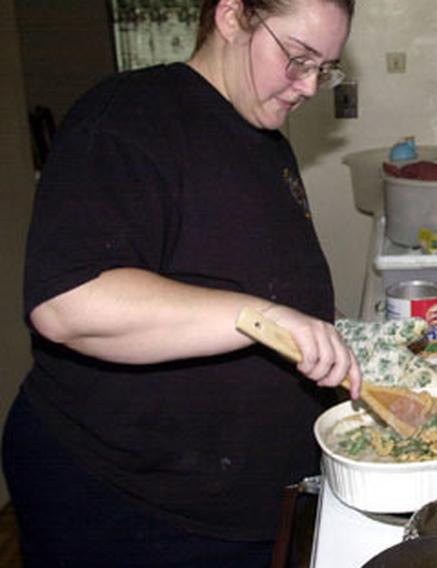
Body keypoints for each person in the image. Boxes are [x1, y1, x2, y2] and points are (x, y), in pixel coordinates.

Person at [2, 0, 361, 565]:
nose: (310, 85)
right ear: (231, 15)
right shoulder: (129, 117)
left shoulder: (261, 134)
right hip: (129, 502)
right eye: (298, 58)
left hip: (232, 499)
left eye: (325, 67)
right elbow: (68, 303)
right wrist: (266, 318)